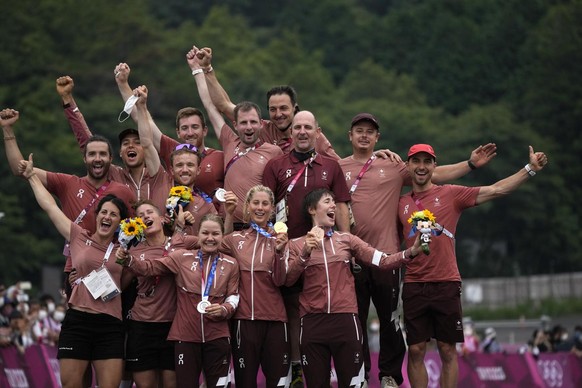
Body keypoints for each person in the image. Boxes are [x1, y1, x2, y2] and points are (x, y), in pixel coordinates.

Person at [339, 113, 496, 388]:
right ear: (349, 136)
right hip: (353, 257)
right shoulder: (339, 167)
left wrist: (470, 164)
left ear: (378, 138)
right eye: (359, 131)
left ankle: (388, 375)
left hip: (388, 256)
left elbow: (434, 172)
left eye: (370, 132)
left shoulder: (392, 164)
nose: (364, 136)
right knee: (356, 323)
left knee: (390, 320)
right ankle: (360, 377)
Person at [398, 143, 547, 388]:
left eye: (427, 161)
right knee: (415, 350)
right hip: (414, 283)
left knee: (447, 349)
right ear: (408, 166)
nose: (421, 167)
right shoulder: (400, 202)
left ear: (435, 166)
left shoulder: (451, 194)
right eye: (416, 161)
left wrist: (529, 169)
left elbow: (496, 190)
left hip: (446, 282)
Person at [285, 188, 425, 387]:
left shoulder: (347, 240)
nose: (334, 205)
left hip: (346, 322)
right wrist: (305, 253)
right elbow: (288, 279)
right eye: (327, 201)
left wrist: (411, 252)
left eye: (334, 201)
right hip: (312, 324)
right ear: (311, 209)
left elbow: (382, 261)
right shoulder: (296, 245)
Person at [19, 153, 130, 388]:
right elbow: (50, 207)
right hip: (77, 322)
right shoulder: (79, 236)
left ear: (120, 222)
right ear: (96, 215)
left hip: (110, 325)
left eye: (114, 214)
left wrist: (128, 260)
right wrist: (31, 177)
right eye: (104, 212)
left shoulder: (125, 250)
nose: (107, 216)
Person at [1, 108, 135, 287]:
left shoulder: (123, 192)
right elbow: (21, 169)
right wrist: (8, 130)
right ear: (84, 159)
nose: (97, 159)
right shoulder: (68, 183)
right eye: (92, 154)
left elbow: (136, 234)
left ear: (111, 159)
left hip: (111, 271)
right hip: (76, 269)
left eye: (102, 154)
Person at [116, 214, 240, 388]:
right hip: (185, 337)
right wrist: (128, 259)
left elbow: (233, 295)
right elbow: (150, 267)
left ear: (222, 236)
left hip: (217, 336)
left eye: (215, 234)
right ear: (198, 235)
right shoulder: (182, 258)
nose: (210, 238)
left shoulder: (231, 264)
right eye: (205, 233)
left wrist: (225, 309)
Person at [187, 46, 283, 228]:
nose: (249, 127)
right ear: (236, 125)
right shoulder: (229, 140)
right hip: (229, 225)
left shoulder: (274, 151)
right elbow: (209, 104)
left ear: (261, 124)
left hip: (260, 226)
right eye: (244, 123)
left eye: (253, 122)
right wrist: (198, 70)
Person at [195, 46, 339, 158]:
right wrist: (207, 69)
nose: (278, 114)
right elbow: (223, 105)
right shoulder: (261, 128)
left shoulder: (311, 135)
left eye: (283, 108)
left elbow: (339, 168)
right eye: (273, 109)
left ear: (295, 109)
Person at [113, 63, 224, 199]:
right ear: (178, 132)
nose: (189, 132)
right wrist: (123, 83)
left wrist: (200, 71)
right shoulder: (173, 151)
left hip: (209, 217)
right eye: (184, 128)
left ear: (205, 130)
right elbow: (142, 119)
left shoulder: (220, 157)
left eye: (194, 127)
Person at [56, 75, 168, 210]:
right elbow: (87, 141)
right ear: (120, 153)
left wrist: (142, 107)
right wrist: (68, 100)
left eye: (137, 142)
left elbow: (148, 141)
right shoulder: (114, 175)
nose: (131, 145)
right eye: (125, 143)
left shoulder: (159, 175)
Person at [123, 200, 199, 388]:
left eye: (149, 212)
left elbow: (215, 242)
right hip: (141, 324)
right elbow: (119, 285)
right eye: (140, 215)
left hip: (172, 326)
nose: (145, 216)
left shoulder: (182, 242)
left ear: (162, 218)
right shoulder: (134, 251)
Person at [220, 185, 290, 387]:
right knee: (245, 382)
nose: (260, 208)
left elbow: (281, 280)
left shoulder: (282, 239)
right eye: (256, 203)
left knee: (277, 383)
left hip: (275, 320)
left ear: (272, 209)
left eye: (265, 203)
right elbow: (215, 246)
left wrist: (279, 251)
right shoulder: (236, 239)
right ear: (248, 207)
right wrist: (228, 215)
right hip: (244, 320)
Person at [132, 84, 217, 236]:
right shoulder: (161, 180)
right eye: (179, 165)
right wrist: (141, 107)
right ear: (171, 169)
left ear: (198, 170)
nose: (184, 169)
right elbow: (146, 143)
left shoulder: (206, 206)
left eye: (190, 165)